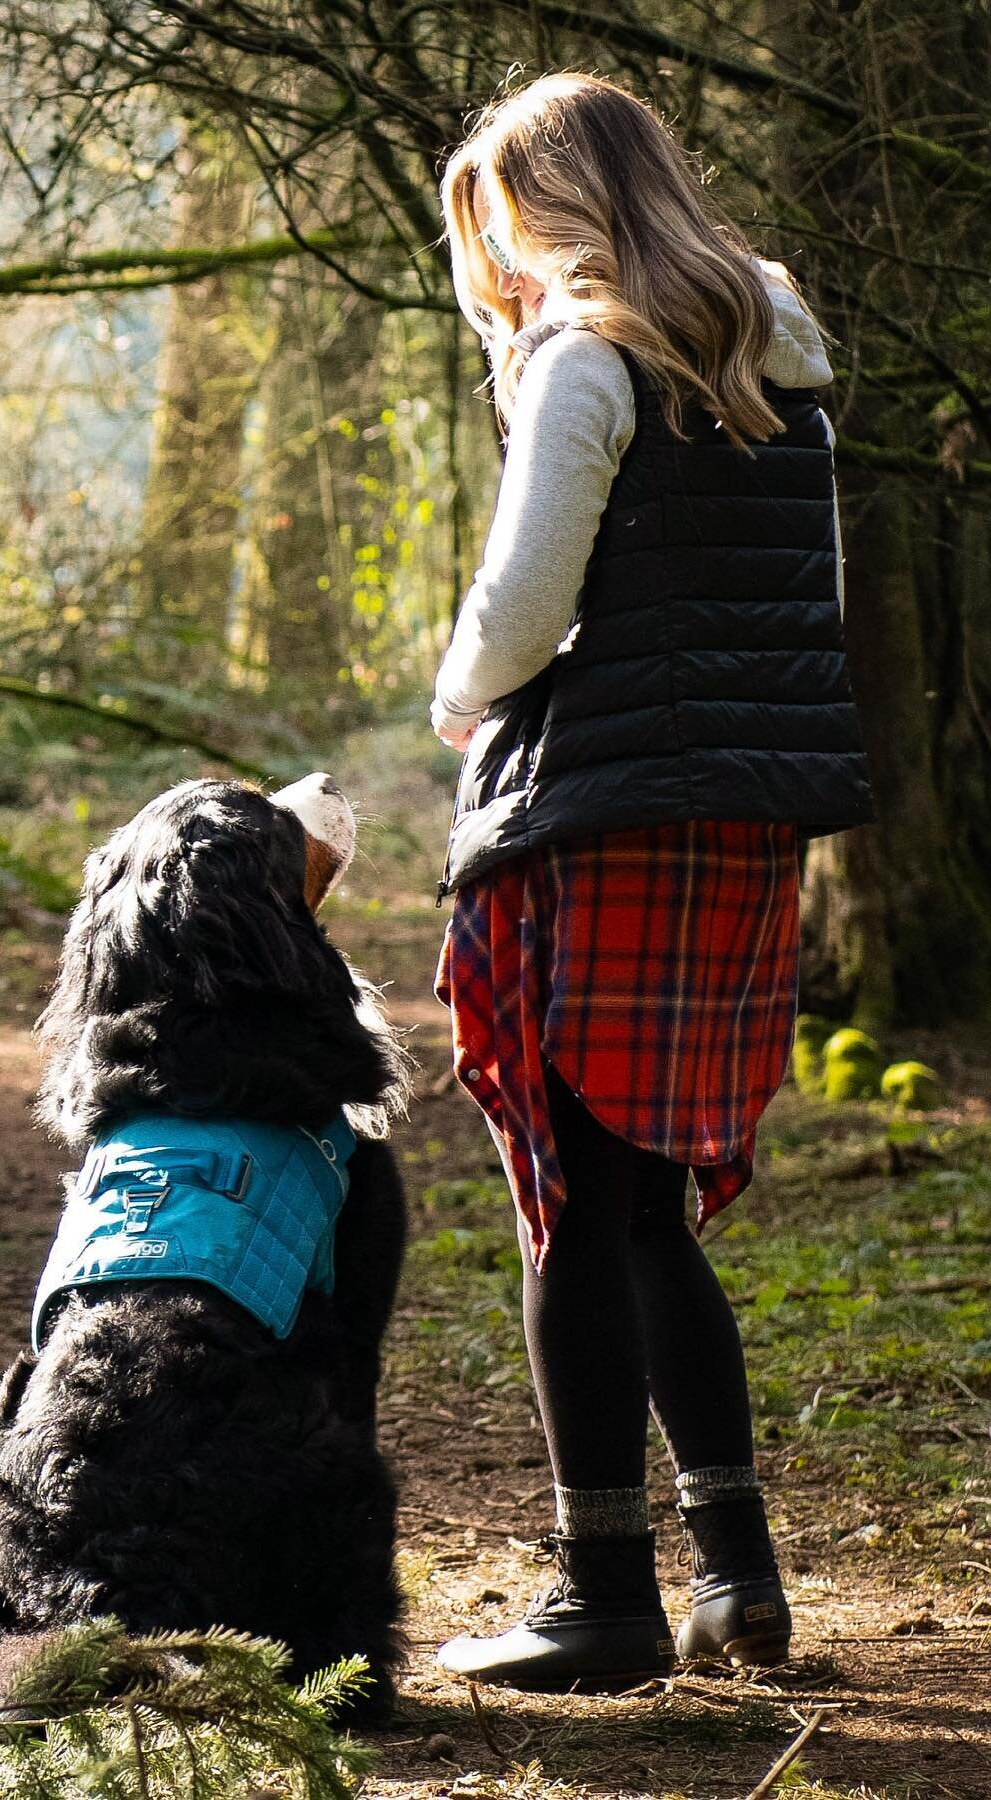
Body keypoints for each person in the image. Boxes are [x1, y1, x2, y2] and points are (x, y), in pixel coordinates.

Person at [428, 71, 875, 1692]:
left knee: (570, 1203)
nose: (509, 277)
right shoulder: (777, 361)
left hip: (598, 810)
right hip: (743, 825)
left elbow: (528, 598)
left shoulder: (590, 360)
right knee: (646, 1208)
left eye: (510, 233)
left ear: (568, 204)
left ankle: (602, 1594)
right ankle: (737, 1580)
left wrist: (460, 690)